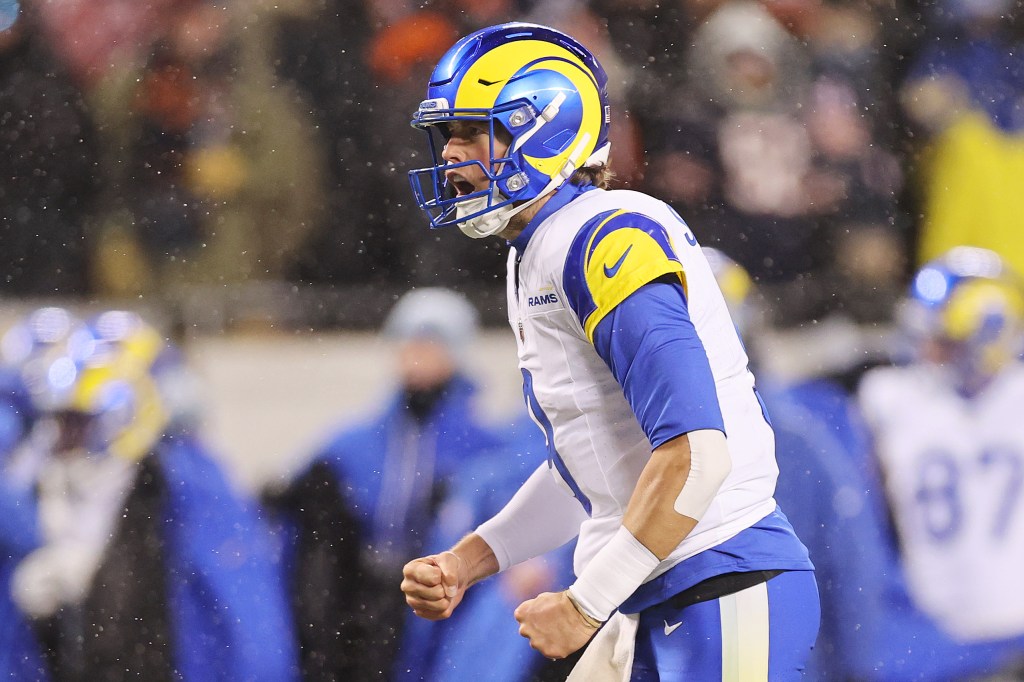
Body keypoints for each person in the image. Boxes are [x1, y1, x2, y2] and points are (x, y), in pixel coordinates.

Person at [399, 22, 818, 680]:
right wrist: (471, 559)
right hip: (656, 594)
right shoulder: (537, 249)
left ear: (547, 126)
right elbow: (593, 470)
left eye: (471, 132)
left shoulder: (604, 238)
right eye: (447, 134)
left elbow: (697, 454)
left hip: (720, 582)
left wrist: (583, 604)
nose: (451, 155)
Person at [268, 287, 564, 681]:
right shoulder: (358, 440)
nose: (417, 358)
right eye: (410, 345)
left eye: (432, 346)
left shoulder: (484, 445)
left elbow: (514, 511)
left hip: (442, 596)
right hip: (371, 601)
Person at [2, 308, 299, 681]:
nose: (61, 442)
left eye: (77, 423)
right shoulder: (48, 483)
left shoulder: (184, 488)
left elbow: (246, 628)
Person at [856, 246, 1024, 674]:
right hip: (932, 630)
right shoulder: (891, 397)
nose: (926, 350)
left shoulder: (891, 401)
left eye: (941, 340)